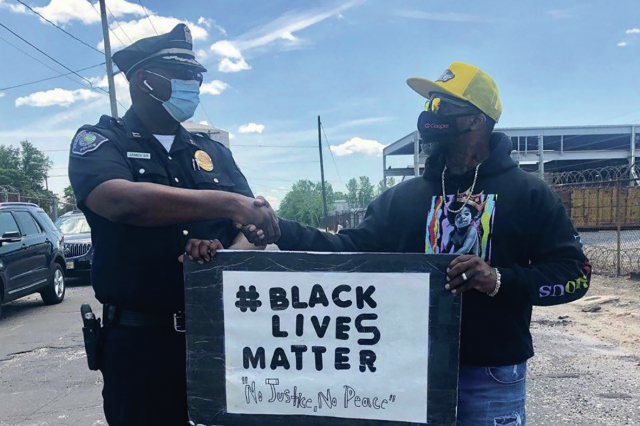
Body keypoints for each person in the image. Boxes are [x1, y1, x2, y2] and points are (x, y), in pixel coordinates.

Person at [235, 62, 592, 425]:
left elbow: (574, 275)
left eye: (440, 106)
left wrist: (498, 279)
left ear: (476, 120)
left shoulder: (530, 194)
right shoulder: (402, 198)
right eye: (427, 105)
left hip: (490, 374)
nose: (427, 115)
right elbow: (348, 250)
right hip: (407, 371)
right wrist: (283, 231)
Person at [68, 24, 278, 426]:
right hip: (139, 346)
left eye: (196, 77)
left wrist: (224, 258)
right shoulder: (100, 141)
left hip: (219, 336)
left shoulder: (211, 151)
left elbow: (254, 229)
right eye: (183, 76)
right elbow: (120, 201)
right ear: (146, 80)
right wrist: (229, 202)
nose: (194, 85)